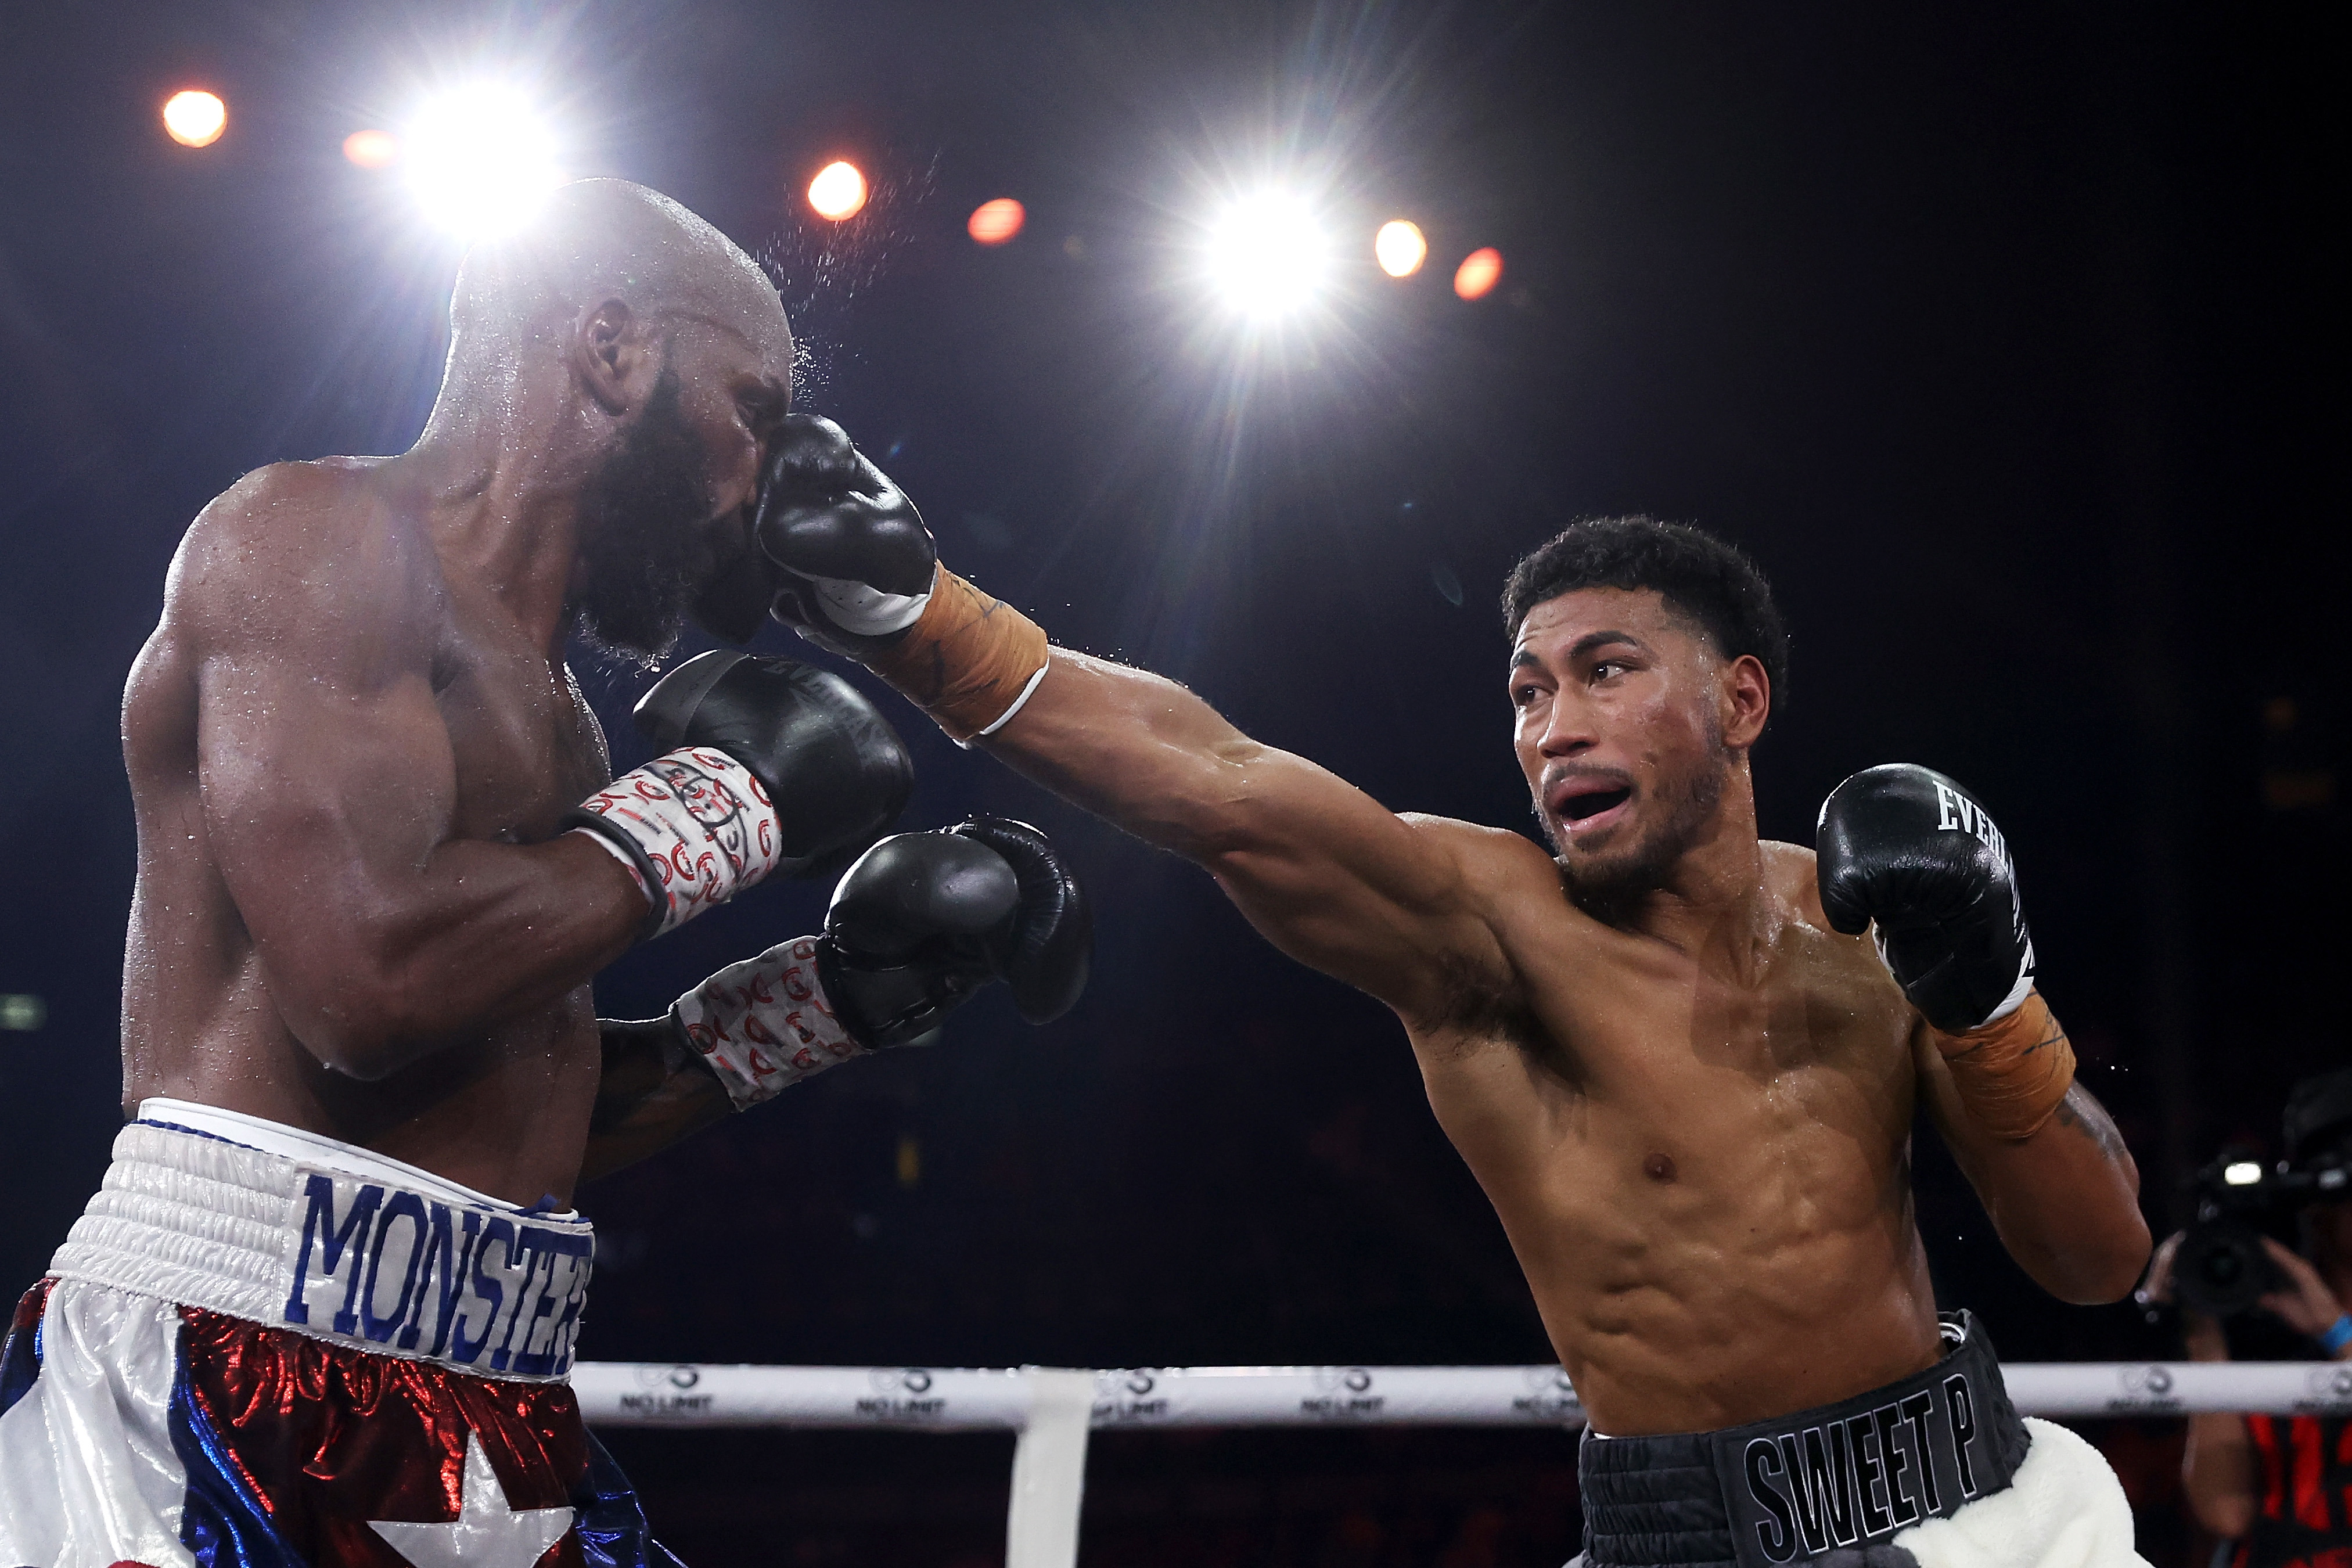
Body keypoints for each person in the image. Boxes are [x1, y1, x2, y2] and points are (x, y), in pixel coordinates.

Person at [749, 420, 2157, 1568]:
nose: (1553, 728)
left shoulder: (1878, 918)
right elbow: (1221, 784)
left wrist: (1991, 999)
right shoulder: (1490, 933)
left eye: (1604, 672)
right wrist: (914, 613)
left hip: (1999, 1509)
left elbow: (2096, 1263)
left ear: (1738, 702)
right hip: (1697, 1539)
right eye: (1526, 692)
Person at [0, 181, 1088, 1565]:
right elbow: (369, 982)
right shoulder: (315, 543)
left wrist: (822, 1000)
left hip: (492, 1402)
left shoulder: (562, 710)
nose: (769, 476)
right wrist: (732, 797)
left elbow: (506, 1107)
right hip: (220, 1383)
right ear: (614, 349)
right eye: (754, 412)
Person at [2143, 1069, 2352, 1568]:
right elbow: (2227, 1513)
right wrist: (2203, 1330)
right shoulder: (2263, 1322)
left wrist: (2338, 1334)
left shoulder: (2319, 1327)